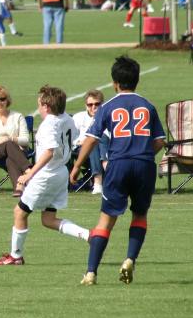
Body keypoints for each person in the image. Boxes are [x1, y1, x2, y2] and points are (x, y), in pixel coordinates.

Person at [71, 56, 166, 285]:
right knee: (140, 214)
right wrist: (143, 154)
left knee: (106, 220)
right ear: (137, 80)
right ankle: (130, 259)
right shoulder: (148, 105)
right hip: (144, 165)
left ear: (114, 83)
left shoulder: (108, 107)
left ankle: (91, 273)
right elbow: (160, 140)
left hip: (118, 165)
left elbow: (91, 139)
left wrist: (75, 166)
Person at [0, 86, 89, 266]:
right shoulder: (67, 119)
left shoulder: (48, 125)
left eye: (39, 104)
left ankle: (16, 256)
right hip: (61, 172)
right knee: (48, 219)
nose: (38, 107)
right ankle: (89, 235)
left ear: (46, 106)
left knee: (20, 212)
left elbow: (49, 152)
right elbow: (73, 137)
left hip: (47, 174)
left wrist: (30, 174)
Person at [0, 85, 30, 197]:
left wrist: (11, 138)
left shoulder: (18, 116)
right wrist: (7, 140)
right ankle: (28, 170)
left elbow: (26, 141)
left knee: (10, 159)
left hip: (18, 152)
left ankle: (19, 187)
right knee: (8, 144)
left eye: (2, 99)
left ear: (7, 100)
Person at [72, 89, 106, 195]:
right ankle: (99, 179)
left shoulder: (107, 117)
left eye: (97, 104)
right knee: (92, 141)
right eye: (90, 104)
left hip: (104, 148)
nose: (93, 107)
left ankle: (99, 181)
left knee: (96, 140)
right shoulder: (78, 117)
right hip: (81, 151)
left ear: (102, 104)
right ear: (86, 105)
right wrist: (82, 142)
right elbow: (71, 139)